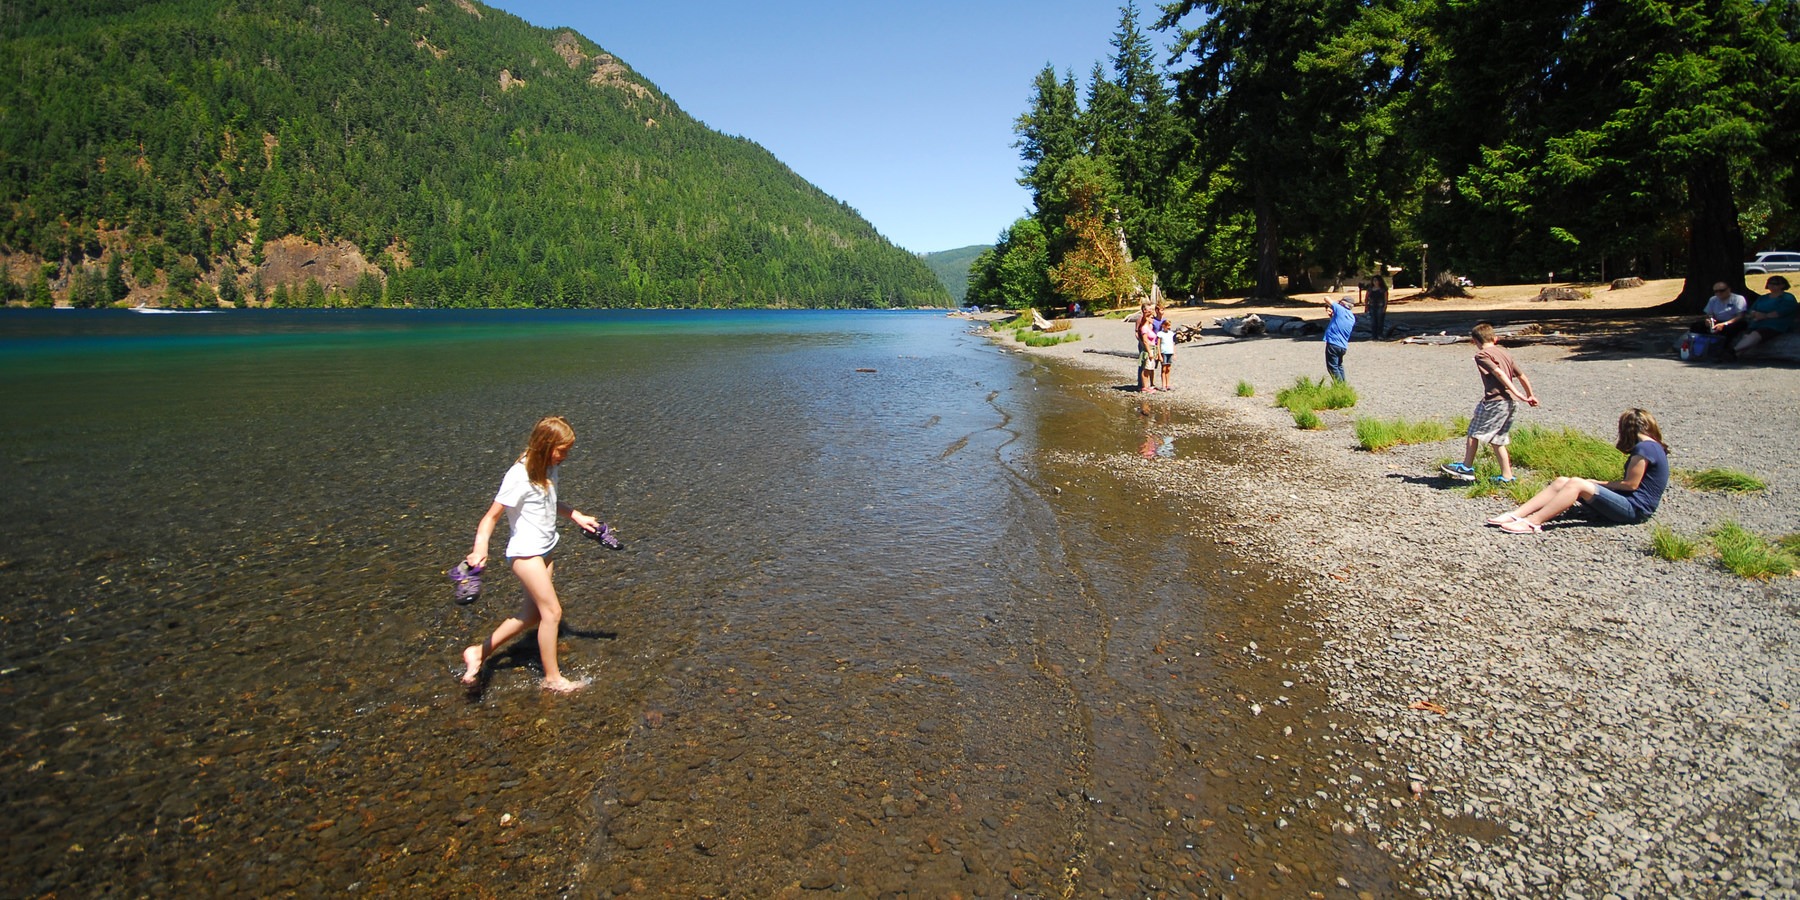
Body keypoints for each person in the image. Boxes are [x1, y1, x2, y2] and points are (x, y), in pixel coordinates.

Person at [459, 415, 601, 693]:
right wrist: (480, 549)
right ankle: (552, 678)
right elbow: (490, 518)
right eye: (563, 451)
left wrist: (576, 515)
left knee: (531, 615)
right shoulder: (519, 475)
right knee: (552, 613)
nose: (566, 457)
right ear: (546, 446)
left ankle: (477, 652)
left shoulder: (549, 467)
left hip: (545, 548)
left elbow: (549, 500)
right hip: (525, 554)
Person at [1488, 409, 1670, 534]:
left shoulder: (1644, 449)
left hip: (1635, 509)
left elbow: (1631, 485)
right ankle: (1516, 514)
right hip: (1630, 504)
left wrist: (1595, 483)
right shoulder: (1652, 446)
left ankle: (1533, 522)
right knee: (1561, 481)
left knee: (1577, 483)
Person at [1441, 322, 1539, 483]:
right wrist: (1530, 395)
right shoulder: (1505, 354)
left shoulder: (1482, 355)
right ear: (1496, 339)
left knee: (1473, 432)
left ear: (1474, 341)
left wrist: (1518, 393)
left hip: (1495, 401)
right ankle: (1507, 476)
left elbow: (1499, 373)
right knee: (1497, 439)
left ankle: (1466, 468)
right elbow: (1522, 376)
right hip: (1511, 403)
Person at [1727, 275, 1797, 358]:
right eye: (1770, 283)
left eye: (1775, 283)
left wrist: (1764, 316)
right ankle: (1734, 355)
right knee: (1747, 335)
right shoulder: (1763, 298)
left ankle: (1732, 351)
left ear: (1783, 285)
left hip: (1776, 325)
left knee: (1756, 334)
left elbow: (1782, 312)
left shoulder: (1787, 297)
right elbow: (1751, 310)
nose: (1771, 285)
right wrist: (1754, 314)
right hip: (1757, 323)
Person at [1322, 294, 1355, 382]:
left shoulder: (1340, 309)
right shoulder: (1351, 316)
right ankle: (1343, 386)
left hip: (1333, 343)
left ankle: (1340, 386)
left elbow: (1326, 298)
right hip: (1343, 346)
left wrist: (1336, 303)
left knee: (1332, 367)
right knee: (1339, 366)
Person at [1136, 302, 1158, 393]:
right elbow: (1137, 333)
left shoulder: (1151, 320)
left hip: (1151, 345)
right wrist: (1142, 344)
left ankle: (1149, 384)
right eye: (1150, 309)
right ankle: (1142, 385)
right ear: (1144, 310)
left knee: (1150, 366)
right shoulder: (1140, 320)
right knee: (1143, 365)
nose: (1152, 311)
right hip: (1144, 345)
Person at [1360, 274, 1389, 340]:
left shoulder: (1383, 289)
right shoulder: (1370, 289)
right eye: (1374, 280)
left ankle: (1380, 335)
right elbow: (1366, 298)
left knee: (1380, 322)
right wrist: (1366, 306)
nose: (1375, 282)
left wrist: (1385, 307)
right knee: (1373, 322)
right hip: (1372, 306)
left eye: (1376, 280)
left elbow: (1385, 299)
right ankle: (1373, 335)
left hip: (1380, 306)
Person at [1157, 318, 1177, 391]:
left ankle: (1168, 384)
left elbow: (1173, 343)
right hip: (1163, 352)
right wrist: (1159, 355)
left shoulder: (1171, 333)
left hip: (1170, 352)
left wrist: (1174, 353)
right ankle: (1163, 385)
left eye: (1169, 326)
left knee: (1168, 368)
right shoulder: (1160, 334)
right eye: (1167, 326)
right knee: (1164, 369)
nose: (1169, 327)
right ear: (1163, 326)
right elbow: (1158, 345)